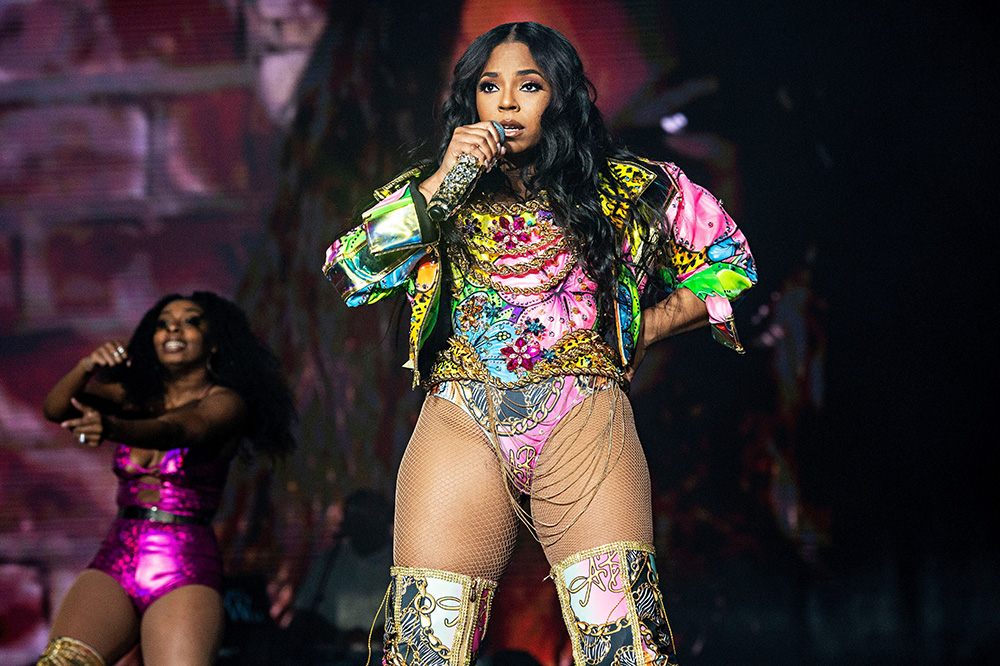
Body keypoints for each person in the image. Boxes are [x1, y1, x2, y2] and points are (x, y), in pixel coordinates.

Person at [322, 22, 756, 666]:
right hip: (461, 419)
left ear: (561, 97)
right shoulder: (432, 191)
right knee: (423, 650)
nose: (505, 103)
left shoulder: (631, 187)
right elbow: (351, 270)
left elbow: (730, 259)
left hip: (583, 418)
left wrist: (646, 328)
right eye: (488, 87)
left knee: (622, 645)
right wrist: (446, 179)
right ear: (469, 102)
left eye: (528, 86)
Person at [38, 292, 295, 666]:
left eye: (191, 321)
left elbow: (180, 430)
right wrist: (86, 366)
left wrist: (111, 427)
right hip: (117, 555)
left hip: (183, 566)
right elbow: (55, 409)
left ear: (214, 342)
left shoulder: (226, 403)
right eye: (162, 323)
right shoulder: (134, 395)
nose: (173, 328)